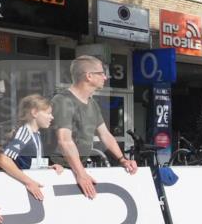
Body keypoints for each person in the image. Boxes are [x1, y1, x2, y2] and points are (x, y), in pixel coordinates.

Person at [50, 55, 137, 199]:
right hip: (59, 171)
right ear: (89, 76)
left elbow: (105, 135)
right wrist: (81, 174)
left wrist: (123, 160)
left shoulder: (92, 103)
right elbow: (64, 140)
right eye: (102, 73)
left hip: (75, 170)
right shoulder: (63, 100)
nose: (105, 77)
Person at [0, 95, 64, 201]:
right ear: (34, 112)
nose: (52, 117)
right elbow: (3, 160)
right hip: (18, 189)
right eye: (48, 113)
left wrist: (46, 167)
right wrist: (29, 182)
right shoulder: (25, 132)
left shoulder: (36, 133)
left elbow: (26, 162)